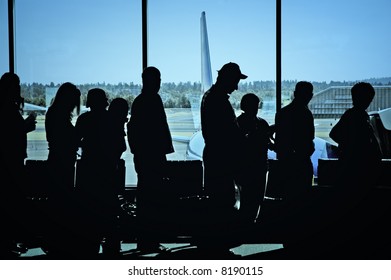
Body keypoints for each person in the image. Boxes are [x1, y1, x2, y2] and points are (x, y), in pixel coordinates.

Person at [199, 62, 247, 256]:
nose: (236, 87)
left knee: (217, 200)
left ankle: (215, 244)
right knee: (222, 201)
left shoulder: (210, 97)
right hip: (222, 158)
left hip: (215, 156)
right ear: (227, 78)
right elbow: (227, 134)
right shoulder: (218, 100)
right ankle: (218, 247)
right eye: (235, 81)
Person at [328, 82, 382, 252]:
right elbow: (335, 134)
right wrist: (354, 148)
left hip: (355, 168)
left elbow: (335, 134)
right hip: (357, 170)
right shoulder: (355, 115)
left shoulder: (357, 115)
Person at [127, 66, 174, 253]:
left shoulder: (141, 101)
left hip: (146, 157)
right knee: (151, 198)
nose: (160, 83)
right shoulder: (151, 100)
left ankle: (147, 239)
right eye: (158, 79)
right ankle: (149, 240)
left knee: (147, 197)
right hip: (151, 157)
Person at [75, 88, 123, 257]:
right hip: (108, 170)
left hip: (89, 170)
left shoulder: (84, 119)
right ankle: (112, 246)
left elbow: (74, 141)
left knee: (89, 211)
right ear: (105, 101)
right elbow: (121, 146)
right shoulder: (112, 120)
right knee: (109, 212)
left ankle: (90, 245)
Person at [273, 81, 315, 247]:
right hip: (301, 163)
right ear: (309, 96)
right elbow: (308, 141)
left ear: (294, 93)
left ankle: (288, 236)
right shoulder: (305, 114)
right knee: (302, 200)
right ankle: (299, 236)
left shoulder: (283, 113)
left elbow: (281, 142)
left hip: (286, 163)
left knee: (288, 200)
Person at [0, 72, 36, 257]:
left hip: (9, 161)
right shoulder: (8, 108)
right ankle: (8, 243)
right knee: (11, 201)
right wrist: (25, 126)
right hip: (11, 162)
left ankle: (8, 242)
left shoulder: (5, 107)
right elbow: (9, 134)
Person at [44, 82, 81, 257]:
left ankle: (55, 240)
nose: (75, 105)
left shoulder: (53, 113)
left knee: (57, 200)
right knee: (62, 199)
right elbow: (66, 138)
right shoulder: (60, 116)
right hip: (63, 162)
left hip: (58, 160)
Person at [236, 93, 271, 224]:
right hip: (256, 166)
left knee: (249, 198)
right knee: (255, 198)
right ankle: (250, 223)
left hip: (249, 167)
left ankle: (247, 224)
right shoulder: (262, 123)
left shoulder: (238, 123)